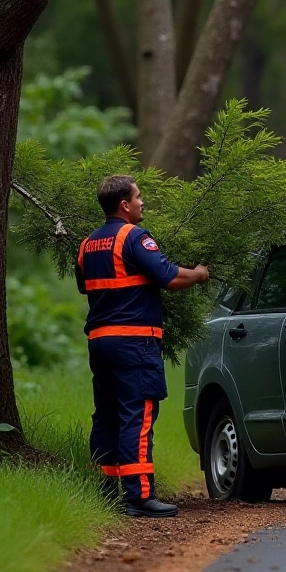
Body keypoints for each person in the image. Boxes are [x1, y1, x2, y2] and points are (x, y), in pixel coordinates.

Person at [77, 175, 209, 517]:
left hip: (99, 341)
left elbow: (84, 286)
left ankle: (105, 492)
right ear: (124, 204)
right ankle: (139, 496)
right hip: (133, 342)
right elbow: (170, 278)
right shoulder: (134, 238)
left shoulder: (88, 244)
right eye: (138, 197)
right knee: (137, 414)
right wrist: (198, 273)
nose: (142, 202)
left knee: (106, 416)